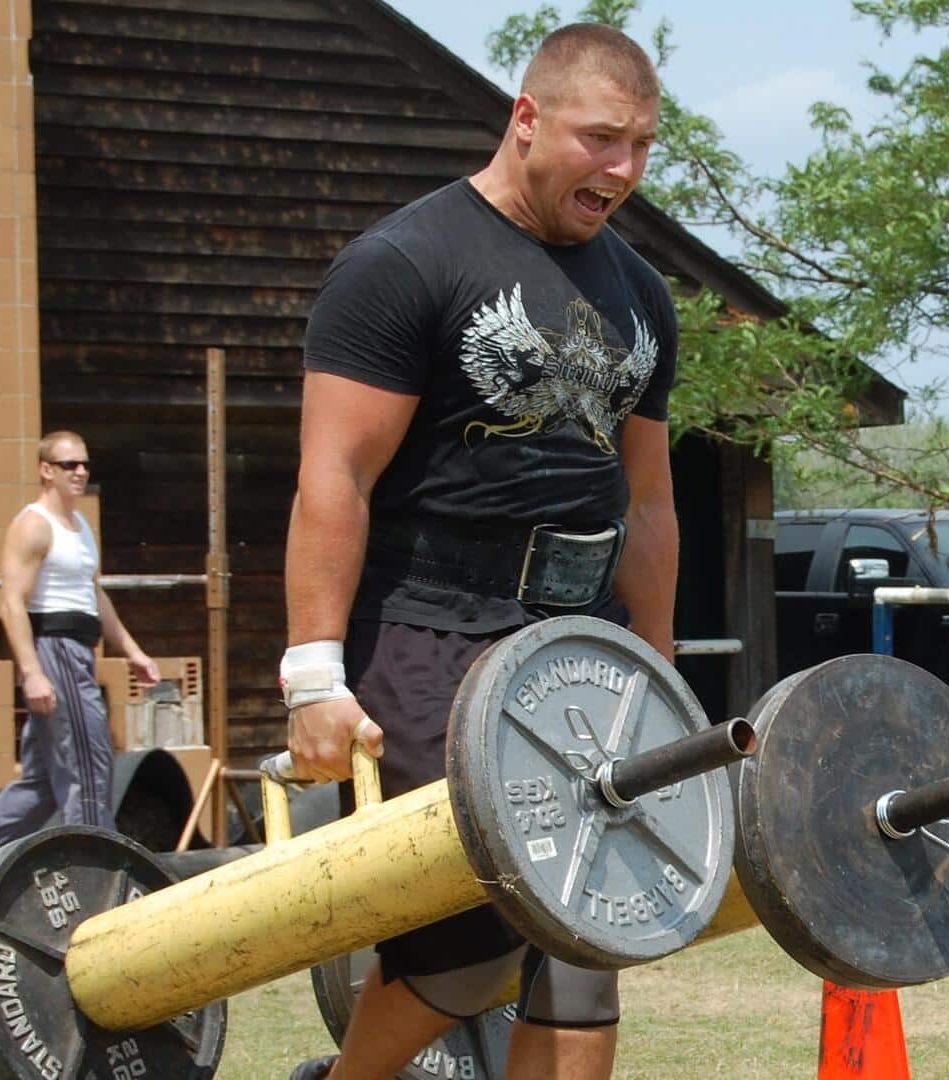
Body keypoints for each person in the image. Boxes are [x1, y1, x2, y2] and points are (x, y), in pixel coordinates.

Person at [279, 23, 677, 1080]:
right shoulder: (404, 264)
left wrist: (661, 657)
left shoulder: (643, 294)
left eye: (640, 146)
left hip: (580, 641)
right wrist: (311, 675)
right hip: (430, 629)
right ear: (528, 118)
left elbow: (646, 497)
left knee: (592, 923)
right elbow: (335, 478)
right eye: (602, 139)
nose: (623, 170)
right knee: (468, 949)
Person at [0, 431, 161, 886]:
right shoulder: (33, 525)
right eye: (69, 465)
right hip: (54, 651)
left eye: (84, 465)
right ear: (46, 470)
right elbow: (11, 603)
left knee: (42, 784)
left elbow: (92, 594)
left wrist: (134, 651)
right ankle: (96, 874)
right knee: (90, 762)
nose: (80, 472)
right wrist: (32, 673)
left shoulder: (80, 527)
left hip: (80, 650)